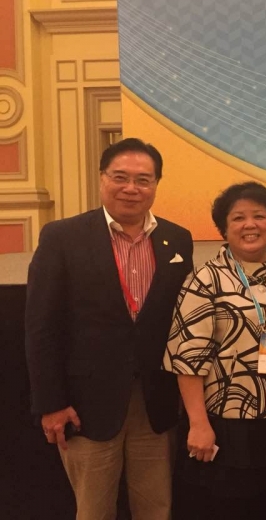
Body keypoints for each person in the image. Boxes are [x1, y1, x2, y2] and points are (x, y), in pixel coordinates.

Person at [24, 138, 194, 520]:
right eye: (120, 177)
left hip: (155, 402)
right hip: (86, 404)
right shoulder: (62, 237)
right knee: (94, 510)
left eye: (143, 180)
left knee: (157, 508)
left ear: (156, 184)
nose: (131, 188)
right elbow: (41, 328)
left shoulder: (177, 239)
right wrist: (50, 403)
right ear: (102, 178)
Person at [163, 182, 266, 519]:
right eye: (238, 218)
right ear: (224, 227)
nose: (250, 225)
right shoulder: (205, 279)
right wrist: (198, 424)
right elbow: (188, 359)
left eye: (259, 216)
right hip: (231, 424)